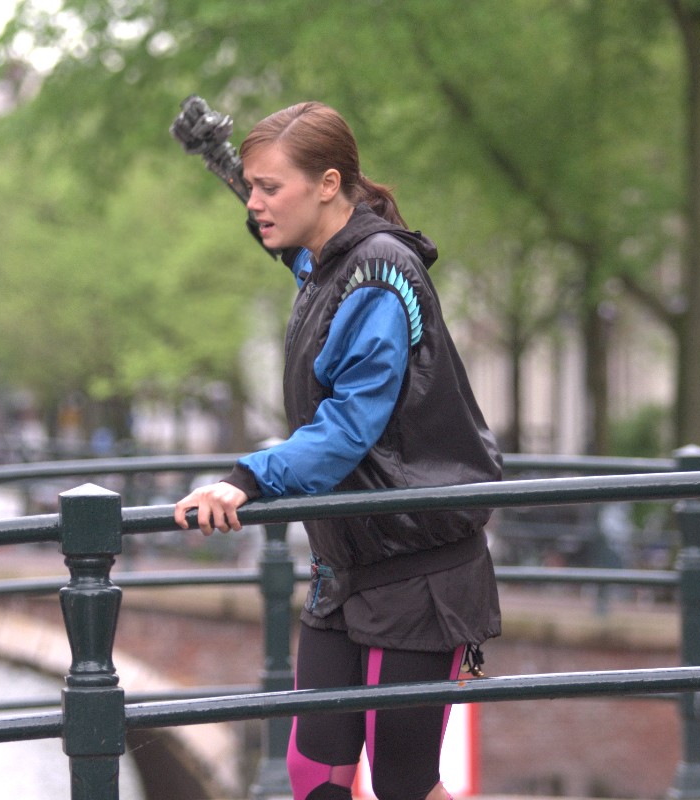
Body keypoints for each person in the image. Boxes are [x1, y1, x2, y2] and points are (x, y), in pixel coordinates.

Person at [173, 101, 502, 800]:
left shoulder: (379, 275)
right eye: (252, 187)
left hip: (417, 569)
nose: (256, 203)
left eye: (270, 188)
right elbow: (285, 241)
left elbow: (350, 428)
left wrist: (246, 478)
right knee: (315, 775)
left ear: (328, 185)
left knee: (404, 784)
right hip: (346, 566)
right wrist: (222, 163)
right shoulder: (327, 261)